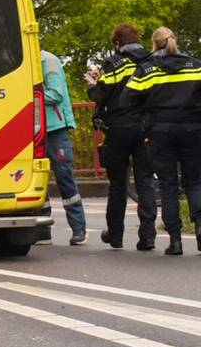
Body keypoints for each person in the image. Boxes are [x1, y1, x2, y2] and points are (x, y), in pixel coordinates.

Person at [123, 27, 201, 256]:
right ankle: (200, 232)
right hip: (194, 129)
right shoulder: (195, 65)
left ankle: (175, 241)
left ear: (154, 44)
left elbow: (128, 99)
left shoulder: (147, 69)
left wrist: (146, 114)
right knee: (195, 182)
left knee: (168, 187)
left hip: (161, 131)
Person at [86, 23, 157, 251]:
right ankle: (148, 236)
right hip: (146, 128)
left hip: (118, 129)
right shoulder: (150, 61)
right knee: (145, 181)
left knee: (118, 183)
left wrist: (92, 84)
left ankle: (115, 235)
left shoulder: (114, 63)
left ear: (117, 43)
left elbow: (101, 94)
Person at [41, 50, 88, 246]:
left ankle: (79, 229)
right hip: (34, 128)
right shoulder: (25, 60)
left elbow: (56, 94)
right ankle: (42, 231)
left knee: (65, 179)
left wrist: (27, 93)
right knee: (38, 183)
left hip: (55, 128)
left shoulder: (48, 60)